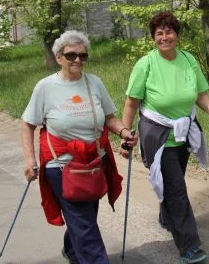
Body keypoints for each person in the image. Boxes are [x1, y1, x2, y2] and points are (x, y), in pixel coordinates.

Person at [120, 11, 209, 264]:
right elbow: (131, 103)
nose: (164, 37)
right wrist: (126, 135)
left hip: (183, 132)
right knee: (176, 189)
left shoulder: (188, 60)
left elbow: (200, 94)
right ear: (153, 38)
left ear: (177, 36)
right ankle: (189, 247)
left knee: (173, 181)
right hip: (157, 135)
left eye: (169, 32)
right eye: (159, 33)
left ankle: (166, 217)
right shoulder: (145, 64)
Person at [21, 30, 137, 264]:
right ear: (58, 57)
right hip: (61, 165)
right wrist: (30, 160)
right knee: (84, 222)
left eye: (83, 56)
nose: (77, 60)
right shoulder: (45, 87)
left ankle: (73, 250)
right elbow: (28, 124)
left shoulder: (94, 82)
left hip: (94, 162)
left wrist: (125, 132)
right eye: (71, 55)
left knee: (85, 217)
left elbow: (109, 118)